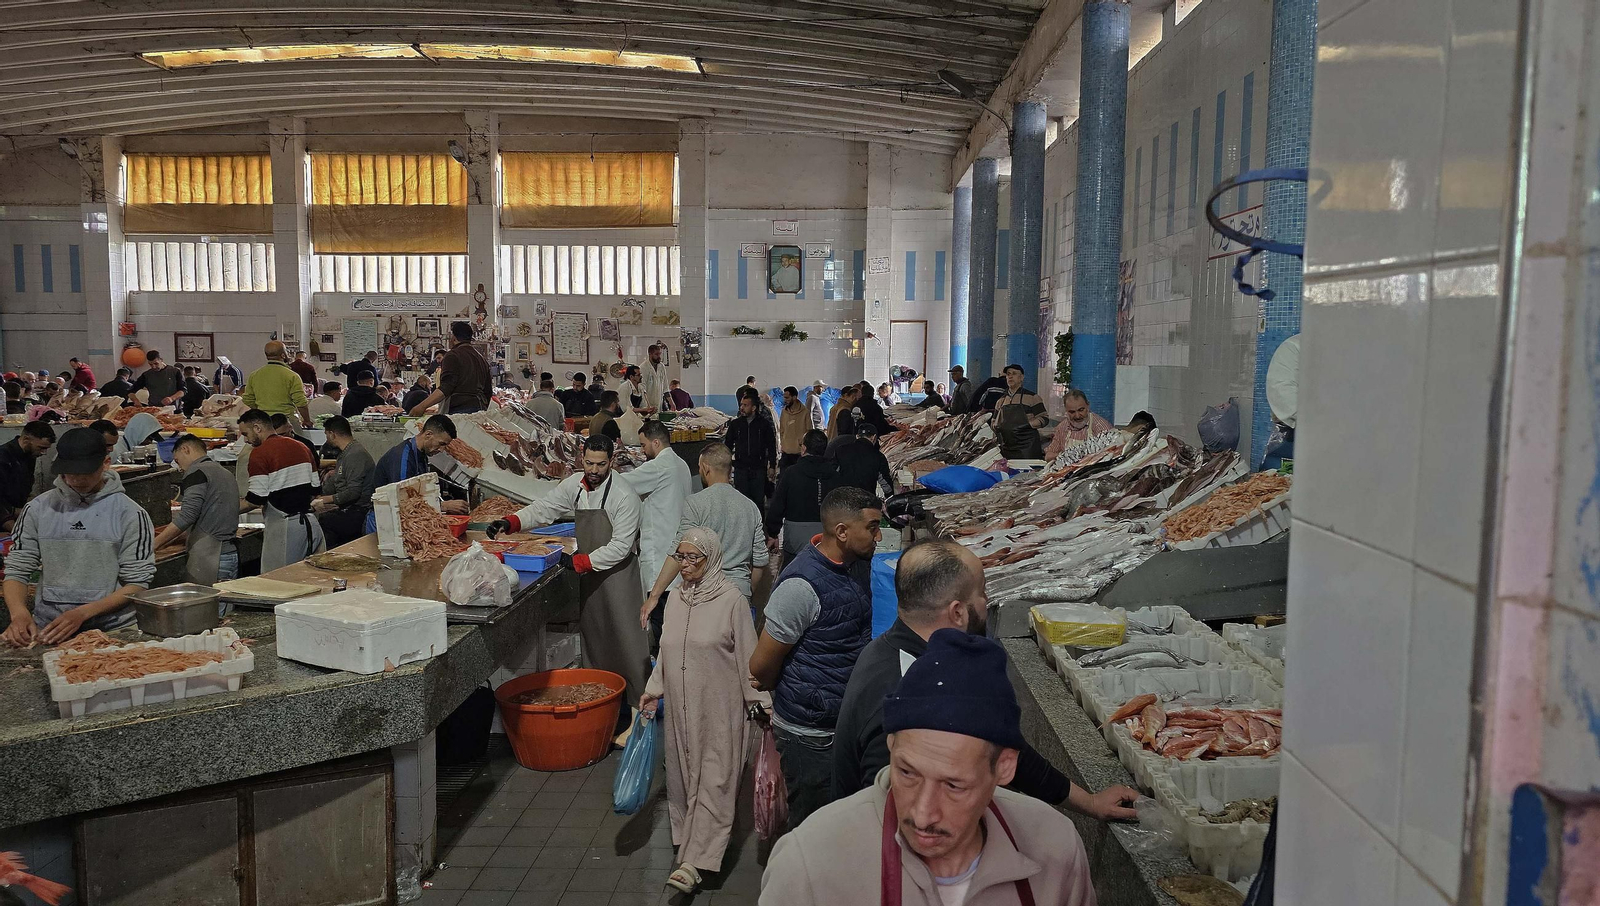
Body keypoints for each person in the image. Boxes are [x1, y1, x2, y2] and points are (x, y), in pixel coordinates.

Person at [760, 630, 1097, 906]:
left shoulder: (1055, 849)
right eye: (907, 773)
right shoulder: (810, 865)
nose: (922, 815)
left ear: (1005, 767)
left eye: (954, 786)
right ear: (891, 745)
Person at [832, 540, 1140, 820]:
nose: (987, 601)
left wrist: (1090, 802)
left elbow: (999, 746)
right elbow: (890, 809)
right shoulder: (909, 688)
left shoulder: (917, 655)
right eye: (981, 593)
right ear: (957, 613)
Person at [640, 528, 769, 895]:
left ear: (711, 558)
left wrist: (761, 702)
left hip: (720, 709)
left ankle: (696, 862)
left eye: (693, 558)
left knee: (715, 780)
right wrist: (653, 690)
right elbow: (666, 650)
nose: (685, 566)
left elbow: (749, 654)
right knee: (682, 779)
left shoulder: (731, 600)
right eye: (680, 557)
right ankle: (692, 845)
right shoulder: (677, 599)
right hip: (682, 711)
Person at [487, 435, 650, 724]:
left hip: (619, 577)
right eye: (589, 463)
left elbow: (619, 548)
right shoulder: (574, 485)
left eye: (601, 464)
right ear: (582, 459)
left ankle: (641, 712)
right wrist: (512, 522)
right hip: (591, 579)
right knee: (597, 641)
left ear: (611, 461)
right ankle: (602, 708)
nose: (594, 470)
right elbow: (545, 508)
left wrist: (580, 562)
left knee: (628, 643)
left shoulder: (625, 496)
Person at [749, 486, 880, 830]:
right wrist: (795, 691)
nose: (879, 536)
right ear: (841, 531)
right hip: (809, 732)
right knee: (812, 827)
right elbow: (761, 666)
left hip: (840, 721)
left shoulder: (854, 565)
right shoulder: (800, 587)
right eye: (872, 527)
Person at [0, 427, 155, 647]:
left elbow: (137, 584)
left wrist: (83, 613)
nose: (76, 479)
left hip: (113, 630)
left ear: (106, 463)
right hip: (50, 628)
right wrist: (19, 614)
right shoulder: (38, 509)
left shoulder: (130, 514)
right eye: (69, 472)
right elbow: (17, 569)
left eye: (85, 472)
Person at [640, 443, 768, 620]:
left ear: (706, 468)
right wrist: (746, 591)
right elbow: (760, 561)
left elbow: (678, 551)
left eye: (700, 468)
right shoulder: (751, 507)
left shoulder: (696, 504)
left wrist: (654, 596)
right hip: (739, 593)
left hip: (706, 593)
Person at [238, 408, 326, 571]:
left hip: (285, 529)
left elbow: (256, 499)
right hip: (311, 524)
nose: (245, 440)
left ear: (257, 428)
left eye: (245, 434)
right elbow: (315, 488)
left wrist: (226, 510)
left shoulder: (260, 453)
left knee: (278, 584)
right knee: (314, 580)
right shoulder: (302, 447)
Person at [153, 434, 241, 587]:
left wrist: (154, 545)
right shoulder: (224, 472)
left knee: (208, 610)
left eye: (178, 461)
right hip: (229, 554)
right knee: (223, 609)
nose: (180, 468)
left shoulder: (197, 472)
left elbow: (187, 515)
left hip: (211, 558)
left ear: (185, 449)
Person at [619, 420, 691, 602]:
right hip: (677, 555)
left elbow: (620, 484)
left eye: (643, 445)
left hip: (659, 557)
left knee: (659, 617)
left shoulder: (658, 467)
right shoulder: (682, 464)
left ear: (656, 442)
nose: (642, 450)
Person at [368, 415, 470, 520]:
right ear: (428, 434)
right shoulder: (403, 458)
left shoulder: (421, 454)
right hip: (384, 519)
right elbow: (404, 500)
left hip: (403, 515)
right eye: (441, 444)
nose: (442, 450)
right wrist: (443, 506)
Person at [764, 429, 837, 562]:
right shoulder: (834, 475)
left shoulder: (791, 473)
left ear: (803, 449)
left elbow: (778, 505)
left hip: (795, 537)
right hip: (826, 535)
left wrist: (772, 533)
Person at [312, 416, 376, 548]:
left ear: (332, 434)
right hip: (348, 507)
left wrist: (325, 500)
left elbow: (353, 492)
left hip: (359, 511)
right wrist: (318, 495)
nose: (326, 438)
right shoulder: (345, 453)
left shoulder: (355, 454)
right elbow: (337, 479)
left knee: (324, 522)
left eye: (326, 434)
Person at [409, 321, 492, 415]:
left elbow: (446, 387)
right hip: (479, 409)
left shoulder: (453, 355)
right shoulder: (481, 359)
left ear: (454, 338)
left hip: (459, 410)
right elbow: (488, 392)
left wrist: (421, 406)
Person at [726, 389, 777, 511]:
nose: (742, 408)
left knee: (758, 502)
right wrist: (727, 466)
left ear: (753, 408)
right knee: (741, 502)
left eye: (745, 405)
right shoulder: (736, 424)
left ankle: (759, 527)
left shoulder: (764, 424)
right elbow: (727, 445)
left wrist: (772, 466)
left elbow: (771, 445)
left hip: (758, 468)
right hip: (741, 469)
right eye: (741, 405)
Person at [243, 341, 314, 427]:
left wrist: (262, 410)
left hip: (264, 422)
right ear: (283, 355)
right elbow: (301, 403)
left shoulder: (254, 375)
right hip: (285, 422)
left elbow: (247, 399)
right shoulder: (292, 376)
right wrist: (307, 420)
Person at [0, 422, 54, 530]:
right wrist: (14, 528)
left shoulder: (29, 456)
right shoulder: (3, 458)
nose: (43, 453)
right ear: (26, 439)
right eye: (41, 448)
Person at [992, 364, 1049, 460]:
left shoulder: (1033, 397)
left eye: (1014, 374)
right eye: (1008, 374)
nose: (1010, 376)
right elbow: (993, 423)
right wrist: (997, 427)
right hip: (1007, 449)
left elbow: (1044, 418)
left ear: (1021, 377)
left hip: (1028, 449)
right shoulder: (1000, 402)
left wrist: (1028, 424)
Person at [831, 423, 896, 498]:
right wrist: (890, 498)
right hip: (866, 501)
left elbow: (832, 474)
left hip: (844, 500)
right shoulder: (878, 456)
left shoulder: (840, 450)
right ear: (874, 437)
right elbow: (886, 484)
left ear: (857, 436)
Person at [1046, 388, 1115, 456]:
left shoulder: (1101, 427)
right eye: (1072, 412)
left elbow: (1112, 454)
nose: (1077, 416)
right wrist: (1067, 456)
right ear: (1066, 410)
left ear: (1088, 406)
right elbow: (1048, 456)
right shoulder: (1062, 427)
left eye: (1081, 410)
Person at [777, 386, 809, 471]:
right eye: (784, 397)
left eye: (787, 397)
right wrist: (782, 444)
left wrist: (804, 447)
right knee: (784, 479)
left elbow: (809, 431)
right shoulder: (784, 411)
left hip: (799, 453)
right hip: (785, 452)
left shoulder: (805, 412)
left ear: (794, 397)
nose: (785, 400)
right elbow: (782, 430)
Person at [641, 342, 670, 414]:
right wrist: (647, 406)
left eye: (660, 354)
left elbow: (665, 387)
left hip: (659, 403)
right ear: (650, 354)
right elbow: (642, 389)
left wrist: (671, 403)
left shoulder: (661, 366)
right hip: (647, 404)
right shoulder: (643, 368)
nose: (659, 356)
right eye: (656, 354)